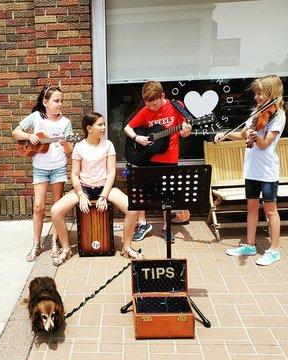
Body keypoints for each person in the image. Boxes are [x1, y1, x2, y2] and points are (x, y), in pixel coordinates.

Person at [51, 112, 142, 266]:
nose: (104, 127)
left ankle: (127, 248)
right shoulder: (79, 147)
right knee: (55, 211)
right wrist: (80, 194)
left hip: (104, 187)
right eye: (100, 124)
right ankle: (66, 249)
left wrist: (104, 196)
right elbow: (74, 174)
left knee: (132, 209)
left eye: (104, 124)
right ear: (89, 128)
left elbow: (112, 172)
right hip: (84, 188)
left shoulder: (108, 145)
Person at [214, 75, 286, 266]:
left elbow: (264, 144)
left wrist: (256, 137)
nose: (256, 96)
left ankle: (274, 250)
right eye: (256, 93)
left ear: (271, 93)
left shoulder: (278, 116)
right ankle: (250, 244)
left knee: (271, 211)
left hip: (267, 170)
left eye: (260, 93)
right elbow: (242, 135)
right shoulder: (256, 113)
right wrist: (226, 135)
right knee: (252, 208)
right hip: (252, 169)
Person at [123, 80, 192, 243]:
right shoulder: (146, 110)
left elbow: (185, 130)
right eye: (148, 105)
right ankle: (142, 224)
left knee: (167, 194)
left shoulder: (176, 105)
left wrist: (186, 131)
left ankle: (167, 228)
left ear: (162, 96)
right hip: (147, 157)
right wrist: (137, 138)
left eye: (154, 105)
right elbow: (127, 127)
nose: (151, 108)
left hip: (169, 158)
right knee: (141, 192)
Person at [12, 84, 74, 262]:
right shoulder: (36, 118)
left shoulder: (66, 123)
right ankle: (36, 244)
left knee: (56, 208)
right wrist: (28, 136)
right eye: (56, 101)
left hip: (58, 168)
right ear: (45, 102)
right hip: (40, 168)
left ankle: (55, 242)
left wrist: (65, 143)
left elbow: (70, 151)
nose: (60, 104)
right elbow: (15, 132)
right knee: (39, 207)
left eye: (61, 101)